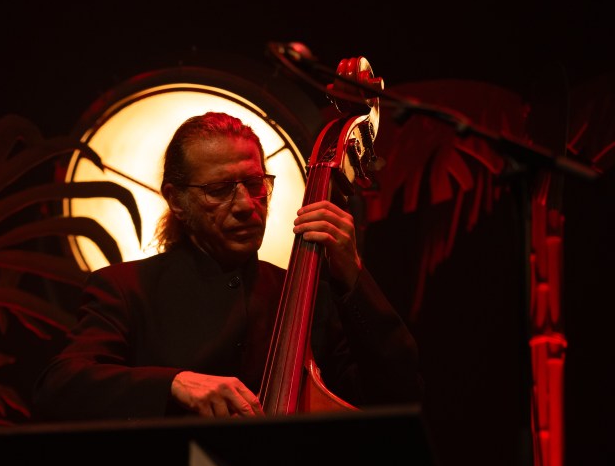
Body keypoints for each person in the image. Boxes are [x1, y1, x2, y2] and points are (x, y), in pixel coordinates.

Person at [32, 111, 423, 422]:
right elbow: (59, 386)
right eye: (219, 190)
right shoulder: (126, 287)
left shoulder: (305, 296)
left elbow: (398, 392)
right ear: (176, 200)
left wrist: (353, 276)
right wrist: (174, 383)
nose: (245, 205)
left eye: (255, 184)